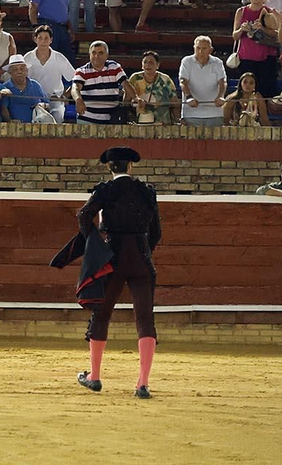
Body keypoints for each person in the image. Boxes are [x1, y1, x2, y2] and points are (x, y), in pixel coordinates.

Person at [63, 147, 161, 400]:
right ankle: (143, 384)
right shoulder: (146, 191)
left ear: (109, 167)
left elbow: (84, 215)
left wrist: (95, 245)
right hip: (141, 259)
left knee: (102, 315)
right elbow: (156, 232)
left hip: (113, 258)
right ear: (130, 166)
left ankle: (95, 377)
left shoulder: (105, 191)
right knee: (145, 319)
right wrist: (144, 251)